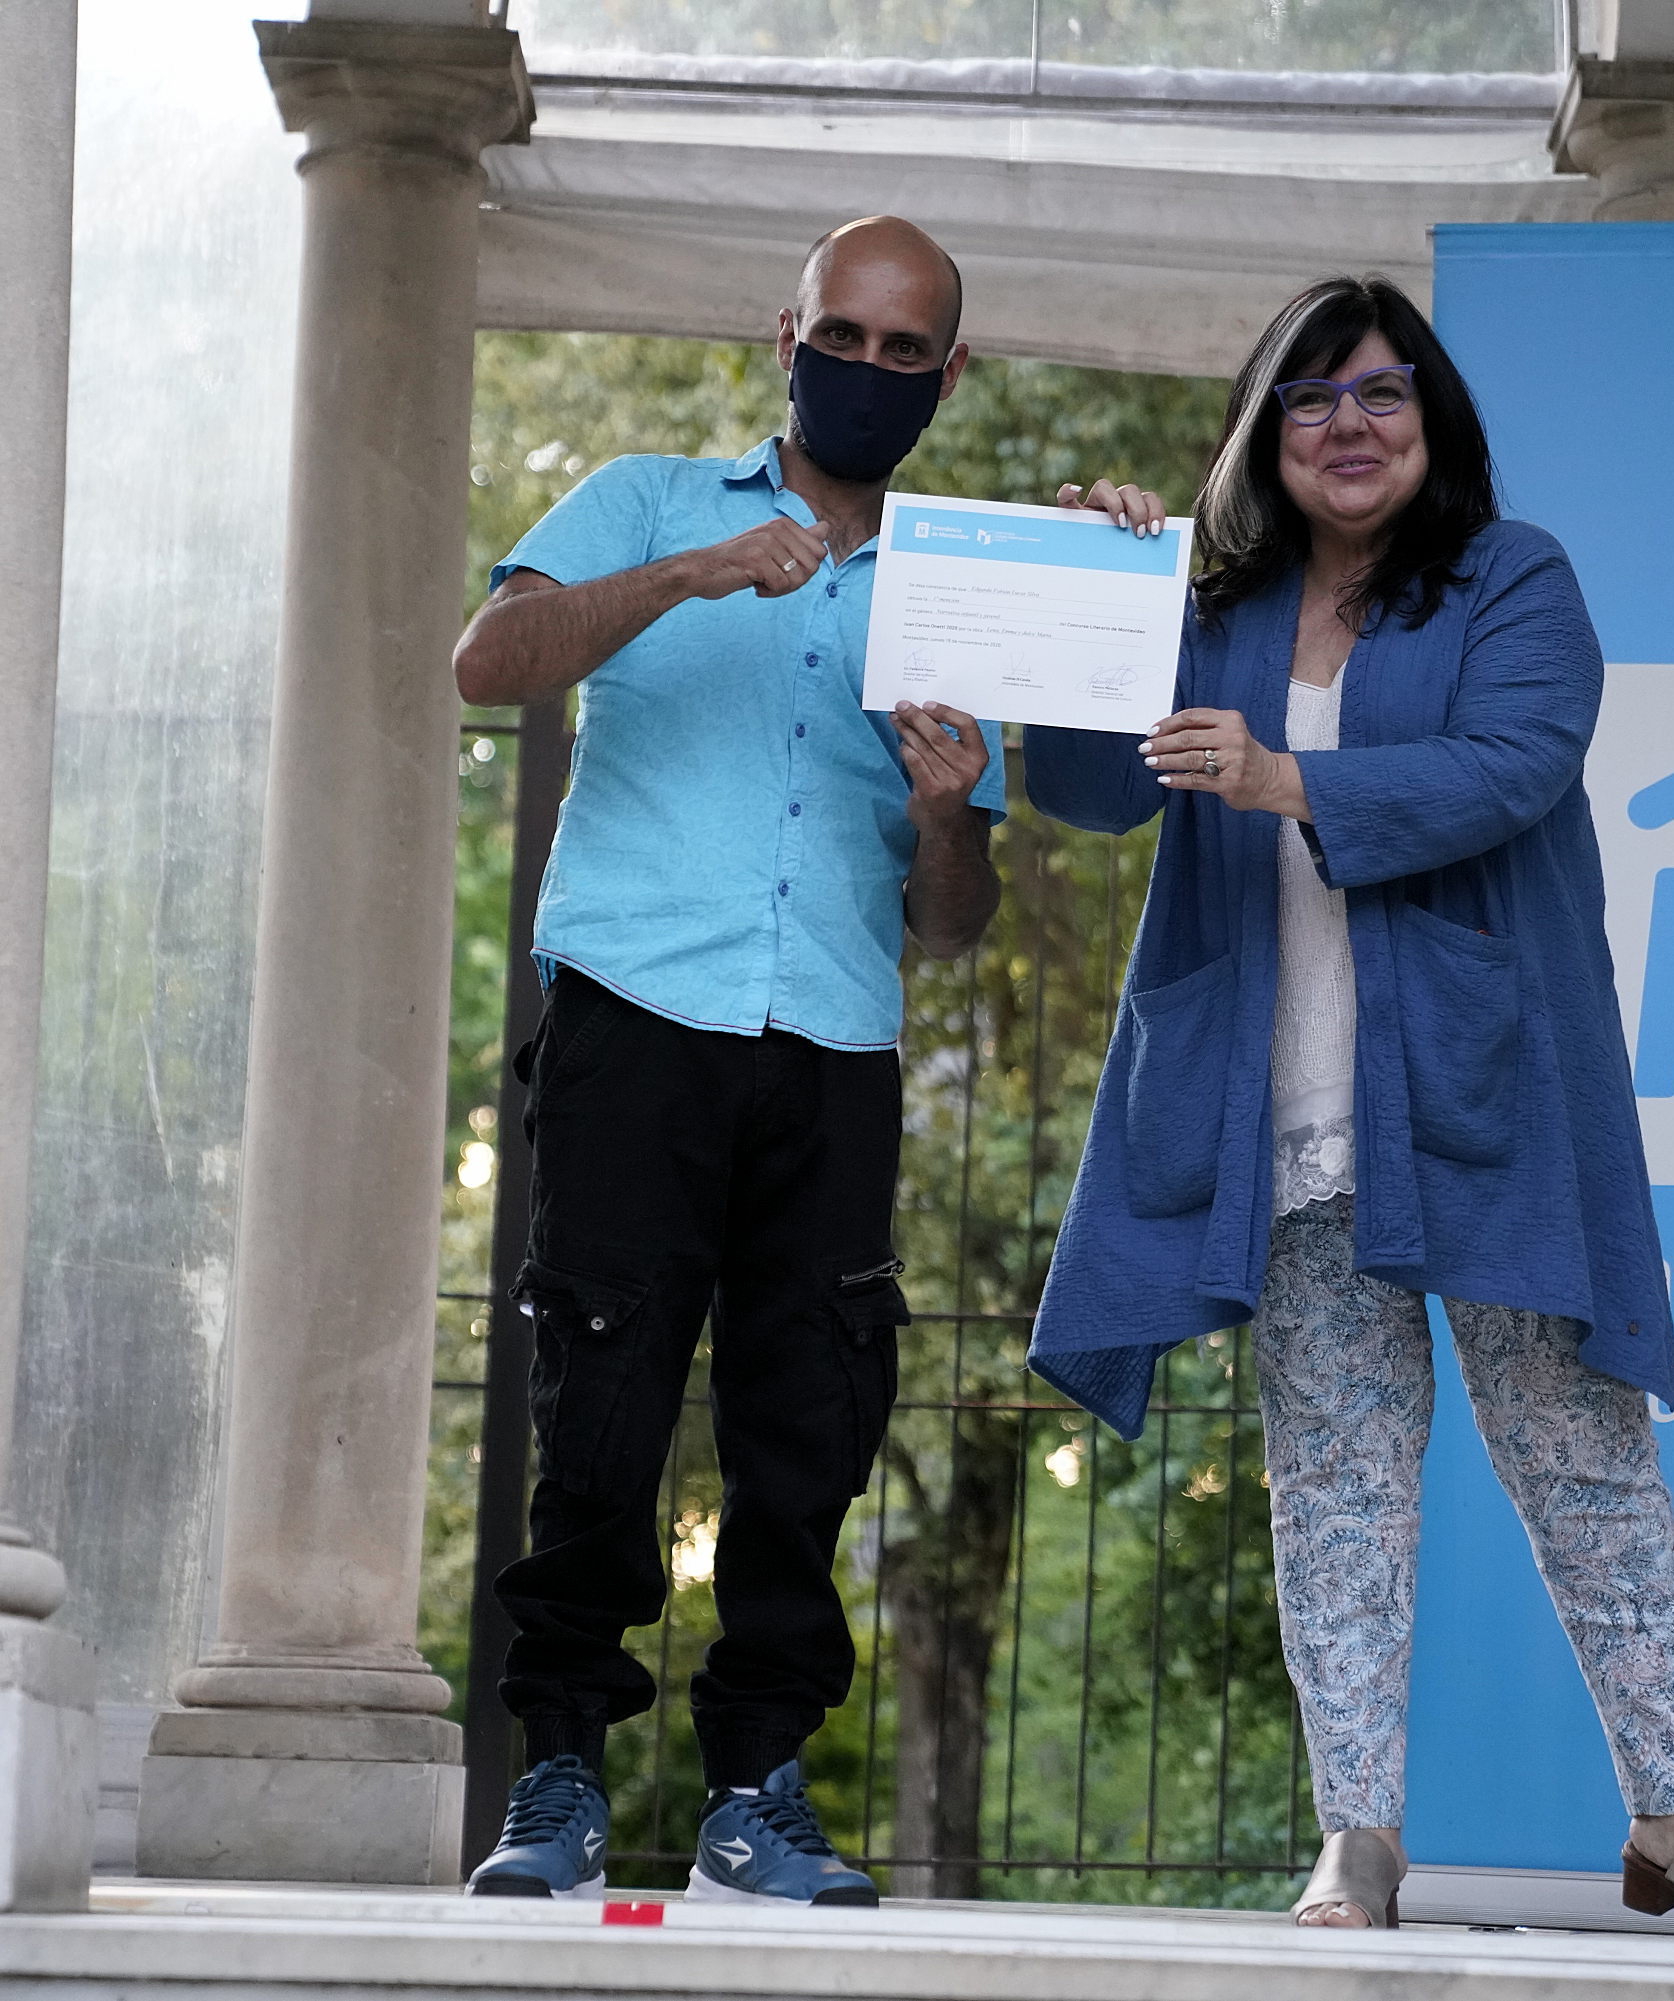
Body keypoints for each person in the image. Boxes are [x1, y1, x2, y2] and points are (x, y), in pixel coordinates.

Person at [1023, 277, 1674, 1945]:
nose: (1350, 426)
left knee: (1579, 1455)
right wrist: (1101, 588)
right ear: (1264, 433)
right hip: (1281, 1107)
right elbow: (1085, 785)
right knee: (1335, 1478)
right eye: (1309, 401)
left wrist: (1288, 776)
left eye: (1382, 392)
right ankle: (1358, 1839)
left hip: (1484, 1094)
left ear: (1433, 416)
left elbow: (1515, 760)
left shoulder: (1510, 580)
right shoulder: (1215, 605)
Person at [449, 216, 1003, 1907]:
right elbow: (488, 668)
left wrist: (939, 806)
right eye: (850, 336)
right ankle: (558, 1772)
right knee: (599, 1396)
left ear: (950, 375)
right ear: (788, 333)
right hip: (634, 1015)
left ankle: (759, 1790)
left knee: (810, 1420)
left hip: (834, 1040)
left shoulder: (961, 591)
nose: (875, 372)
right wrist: (690, 575)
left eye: (912, 354)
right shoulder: (641, 498)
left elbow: (958, 921)